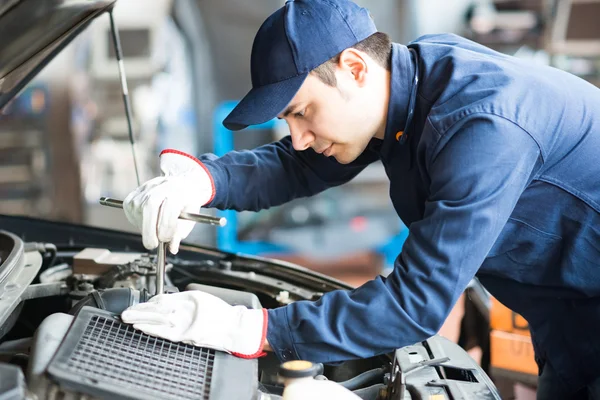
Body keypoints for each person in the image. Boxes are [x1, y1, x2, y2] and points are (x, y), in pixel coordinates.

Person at [119, 0, 600, 397]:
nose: (300, 137)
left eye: (303, 112)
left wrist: (255, 330)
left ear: (354, 68)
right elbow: (297, 164)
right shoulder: (410, 80)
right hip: (565, 316)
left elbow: (416, 303)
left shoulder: (481, 127)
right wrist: (204, 180)